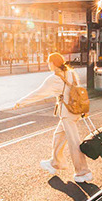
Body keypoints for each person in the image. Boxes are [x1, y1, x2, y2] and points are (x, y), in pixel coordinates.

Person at [13, 51, 92, 183]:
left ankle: (83, 172)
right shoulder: (72, 73)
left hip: (67, 114)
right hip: (75, 111)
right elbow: (80, 90)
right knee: (58, 136)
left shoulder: (54, 78)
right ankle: (56, 162)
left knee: (73, 142)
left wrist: (21, 102)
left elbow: (38, 93)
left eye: (48, 62)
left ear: (53, 63)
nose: (47, 64)